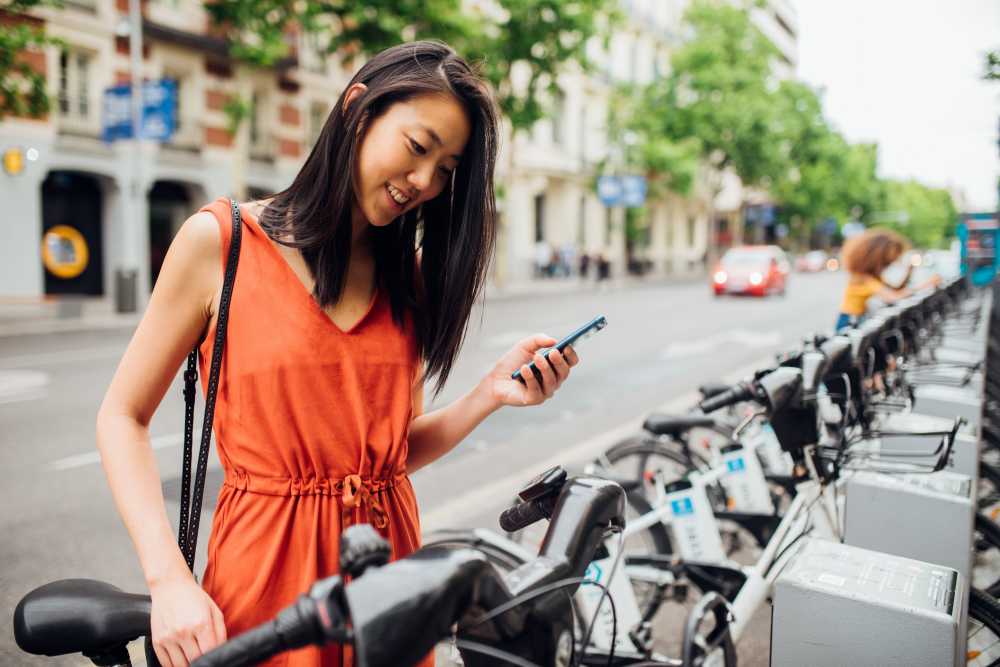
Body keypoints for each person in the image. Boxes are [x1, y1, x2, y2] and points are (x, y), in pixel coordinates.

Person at [96, 41, 579, 667]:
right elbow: (121, 417)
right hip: (267, 579)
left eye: (447, 169)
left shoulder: (406, 278)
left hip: (389, 580)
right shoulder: (222, 243)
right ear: (358, 109)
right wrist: (168, 581)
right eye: (417, 147)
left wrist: (491, 393)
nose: (426, 181)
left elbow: (391, 452)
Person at [835, 228, 941, 332]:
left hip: (858, 318)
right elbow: (893, 297)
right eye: (886, 262)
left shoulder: (872, 277)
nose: (887, 266)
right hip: (849, 321)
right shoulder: (864, 279)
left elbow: (895, 290)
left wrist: (909, 272)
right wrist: (927, 284)